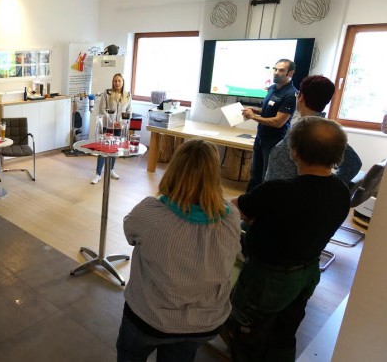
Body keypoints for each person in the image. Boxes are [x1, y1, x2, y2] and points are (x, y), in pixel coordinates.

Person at [224, 116, 351, 362]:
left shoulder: (276, 190)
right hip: (308, 273)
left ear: (294, 152)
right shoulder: (341, 191)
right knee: (285, 332)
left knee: (245, 332)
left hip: (266, 278)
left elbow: (234, 208)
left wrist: (255, 221)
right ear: (339, 154)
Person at [117, 139, 241, 361]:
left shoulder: (151, 213)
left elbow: (130, 233)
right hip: (203, 322)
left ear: (174, 169)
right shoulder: (230, 217)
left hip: (149, 317)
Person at [265, 75, 362, 183]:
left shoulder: (316, 131)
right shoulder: (307, 126)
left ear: (301, 97)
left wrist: (327, 186)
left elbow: (353, 163)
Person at [243, 59, 297, 191]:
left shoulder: (291, 94)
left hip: (274, 141)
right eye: (275, 69)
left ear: (291, 73)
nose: (276, 72)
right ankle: (249, 200)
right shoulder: (272, 88)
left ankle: (262, 202)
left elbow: (278, 122)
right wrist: (255, 110)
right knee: (255, 173)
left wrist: (253, 117)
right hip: (260, 136)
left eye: (281, 70)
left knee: (266, 176)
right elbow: (268, 111)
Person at [91, 73, 131, 184]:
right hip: (107, 126)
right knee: (103, 149)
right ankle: (98, 174)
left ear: (123, 82)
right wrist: (111, 122)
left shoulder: (127, 95)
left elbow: (129, 111)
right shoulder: (107, 93)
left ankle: (111, 169)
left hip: (119, 127)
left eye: (119, 81)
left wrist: (121, 123)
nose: (117, 83)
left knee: (115, 149)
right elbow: (102, 109)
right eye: (115, 81)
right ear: (113, 82)